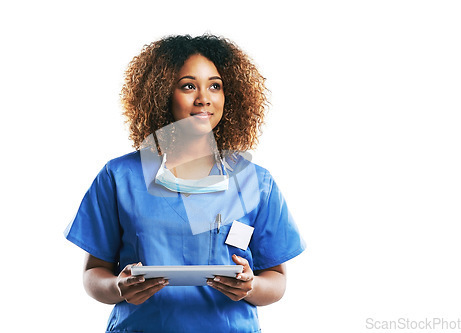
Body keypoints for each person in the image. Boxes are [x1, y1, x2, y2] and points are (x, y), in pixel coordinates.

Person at [65, 34, 305, 332]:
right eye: (188, 85)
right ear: (162, 93)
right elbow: (93, 273)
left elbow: (277, 280)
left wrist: (250, 286)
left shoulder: (256, 181)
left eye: (215, 86)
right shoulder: (119, 177)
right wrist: (118, 287)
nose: (204, 98)